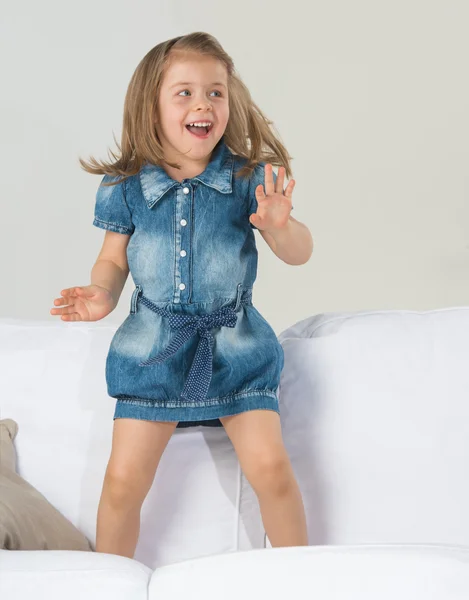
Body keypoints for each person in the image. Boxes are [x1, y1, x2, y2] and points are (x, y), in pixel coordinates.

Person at [50, 32, 313, 559]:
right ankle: (109, 580)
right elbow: (112, 260)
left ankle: (299, 577)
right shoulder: (125, 186)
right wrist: (101, 294)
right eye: (185, 93)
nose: (203, 104)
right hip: (153, 355)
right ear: (151, 105)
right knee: (123, 484)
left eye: (216, 92)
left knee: (273, 472)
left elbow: (299, 251)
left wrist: (281, 227)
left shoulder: (248, 179)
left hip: (235, 351)